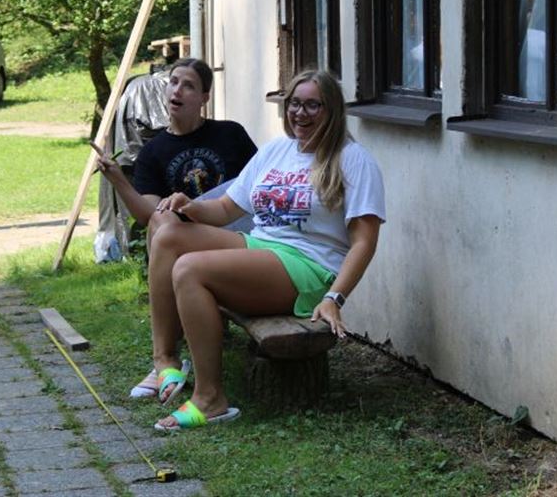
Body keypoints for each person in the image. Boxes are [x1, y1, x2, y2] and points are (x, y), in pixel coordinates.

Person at [139, 70, 385, 430]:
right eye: (294, 103)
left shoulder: (353, 160)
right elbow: (226, 209)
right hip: (262, 245)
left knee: (189, 269)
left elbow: (364, 241)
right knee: (168, 235)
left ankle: (210, 399)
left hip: (307, 267)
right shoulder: (276, 150)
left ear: (332, 110)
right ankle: (165, 361)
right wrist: (190, 206)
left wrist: (335, 297)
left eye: (312, 105)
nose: (300, 113)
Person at [92, 57, 257, 399]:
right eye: (173, 82)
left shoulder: (231, 134)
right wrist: (119, 180)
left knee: (166, 229)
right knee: (162, 223)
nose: (177, 90)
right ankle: (165, 360)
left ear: (204, 98)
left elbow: (259, 187)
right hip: (185, 244)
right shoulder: (153, 151)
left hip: (236, 237)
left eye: (189, 85)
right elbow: (149, 217)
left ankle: (164, 360)